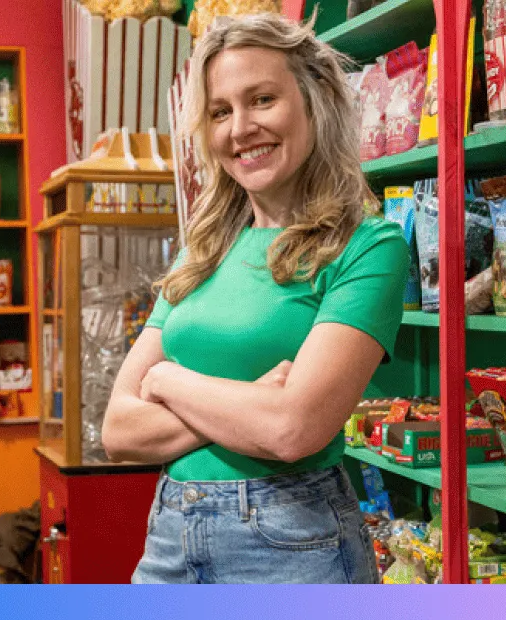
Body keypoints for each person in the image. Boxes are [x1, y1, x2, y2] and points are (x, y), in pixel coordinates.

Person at [96, 14, 412, 584]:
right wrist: (252, 405)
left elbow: (293, 430)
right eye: (220, 111)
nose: (240, 128)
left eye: (262, 99)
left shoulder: (367, 247)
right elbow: (119, 430)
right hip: (170, 536)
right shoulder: (202, 252)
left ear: (314, 101)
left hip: (292, 543)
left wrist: (168, 381)